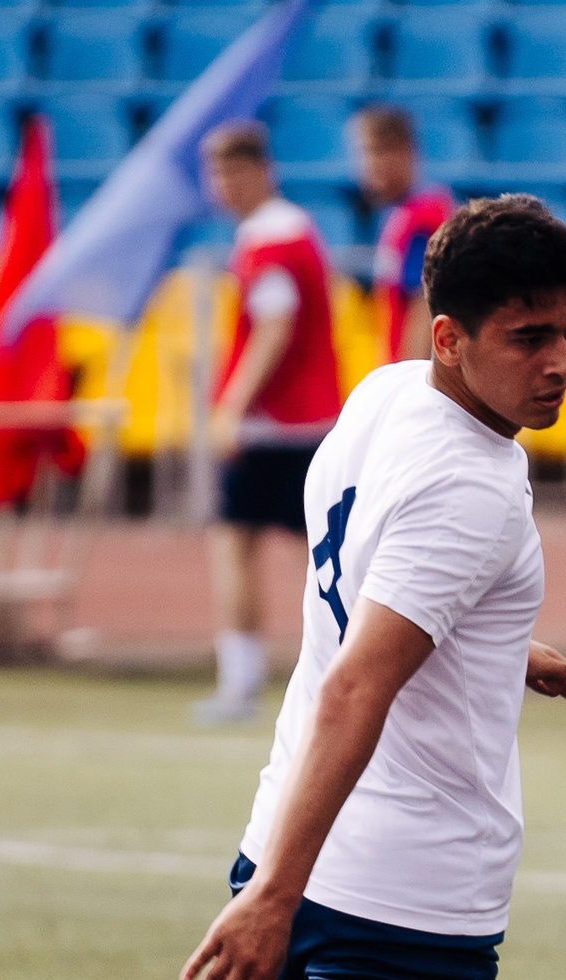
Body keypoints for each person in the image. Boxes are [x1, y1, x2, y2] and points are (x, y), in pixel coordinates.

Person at [15, 196, 566, 980]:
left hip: (295, 821)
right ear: (452, 336)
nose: (556, 362)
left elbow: (371, 598)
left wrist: (494, 647)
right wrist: (273, 899)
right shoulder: (475, 488)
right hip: (403, 887)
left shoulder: (385, 393)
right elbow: (356, 686)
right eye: (526, 336)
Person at [192, 120, 344, 726]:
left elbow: (275, 326)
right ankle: (334, 677)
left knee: (236, 544)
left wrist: (233, 403)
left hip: (273, 424)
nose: (221, 187)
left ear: (259, 170)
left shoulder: (269, 240)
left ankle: (244, 682)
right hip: (310, 418)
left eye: (229, 172)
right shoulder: (296, 232)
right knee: (324, 555)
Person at [353, 104, 454, 365]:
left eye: (381, 151)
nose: (371, 164)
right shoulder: (401, 214)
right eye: (365, 152)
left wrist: (407, 381)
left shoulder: (423, 219)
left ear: (408, 152)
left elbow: (423, 307)